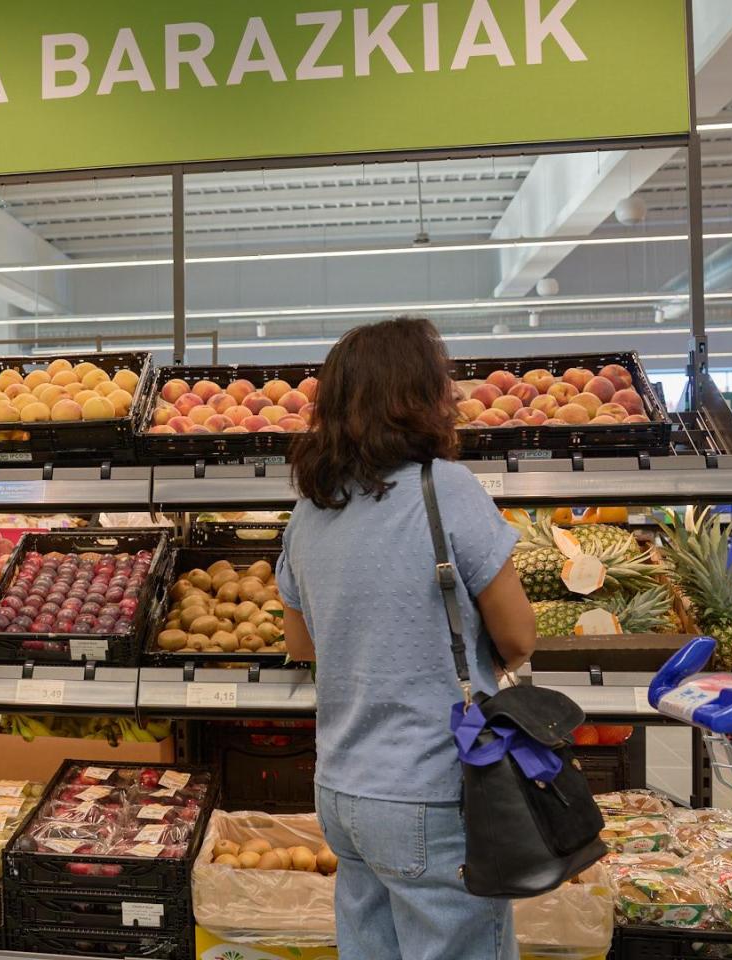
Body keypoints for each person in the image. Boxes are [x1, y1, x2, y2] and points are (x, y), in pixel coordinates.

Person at [276, 316, 536, 960]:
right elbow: (519, 635)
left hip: (342, 789)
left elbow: (300, 645)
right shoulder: (446, 490)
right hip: (432, 787)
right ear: (420, 397)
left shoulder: (311, 509)